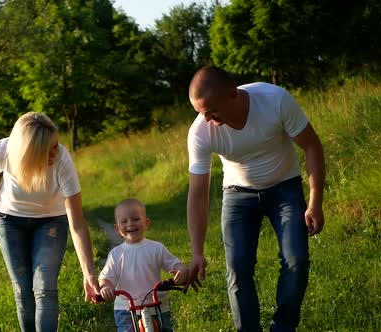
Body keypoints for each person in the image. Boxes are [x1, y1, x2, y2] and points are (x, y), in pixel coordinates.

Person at [185, 66, 325, 332]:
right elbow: (198, 194)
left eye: (211, 111)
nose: (206, 119)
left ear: (233, 95)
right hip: (238, 195)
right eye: (200, 112)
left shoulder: (274, 100)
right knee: (238, 268)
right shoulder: (200, 132)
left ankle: (283, 327)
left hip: (284, 187)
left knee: (296, 259)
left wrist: (315, 202)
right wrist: (197, 252)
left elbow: (312, 145)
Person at [0, 112, 99, 331]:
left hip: (51, 222)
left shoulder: (62, 160)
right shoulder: (4, 150)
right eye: (49, 148)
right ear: (29, 152)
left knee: (45, 286)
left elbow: (77, 223)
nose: (57, 151)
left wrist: (89, 273)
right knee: (22, 288)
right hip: (9, 221)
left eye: (56, 144)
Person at [99, 198, 189, 332]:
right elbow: (106, 277)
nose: (130, 224)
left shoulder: (156, 248)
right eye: (124, 221)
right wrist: (106, 287)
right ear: (117, 228)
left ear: (146, 223)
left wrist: (180, 270)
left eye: (136, 219)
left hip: (156, 304)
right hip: (125, 307)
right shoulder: (116, 254)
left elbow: (174, 264)